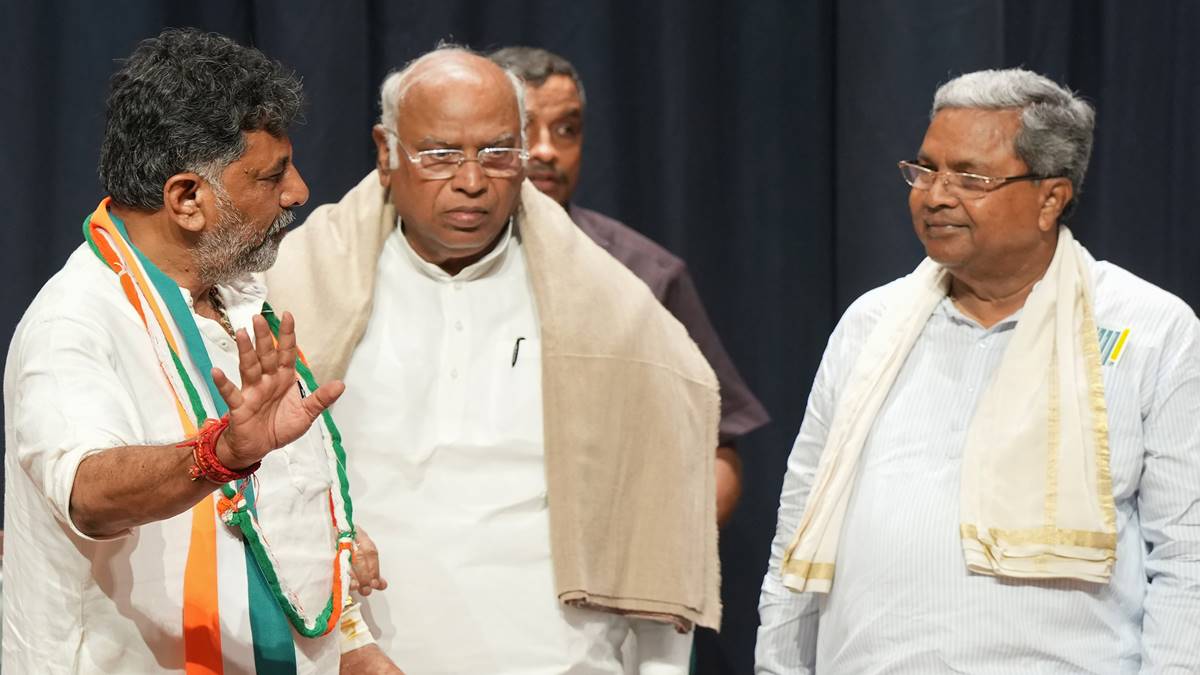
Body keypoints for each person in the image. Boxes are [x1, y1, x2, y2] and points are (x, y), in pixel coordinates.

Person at [265, 46, 721, 673]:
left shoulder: (617, 311)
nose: (473, 181)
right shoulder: (288, 288)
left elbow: (656, 520)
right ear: (386, 152)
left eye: (498, 153)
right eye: (440, 155)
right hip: (355, 654)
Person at [756, 68, 1200, 673]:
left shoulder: (1150, 330)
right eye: (925, 169)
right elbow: (799, 526)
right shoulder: (871, 324)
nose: (935, 195)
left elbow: (1187, 556)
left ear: (1050, 199)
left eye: (970, 177)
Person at [2, 29, 397, 674]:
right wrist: (220, 455)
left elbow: (282, 509)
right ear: (187, 199)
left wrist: (352, 645)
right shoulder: (75, 321)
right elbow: (88, 492)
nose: (299, 191)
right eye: (272, 175)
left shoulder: (237, 292)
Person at [489, 46, 770, 527]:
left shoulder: (644, 274)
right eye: (522, 130)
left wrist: (670, 547)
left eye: (567, 130)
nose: (546, 150)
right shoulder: (411, 263)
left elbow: (717, 447)